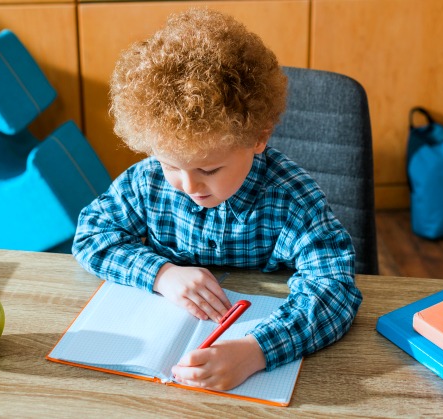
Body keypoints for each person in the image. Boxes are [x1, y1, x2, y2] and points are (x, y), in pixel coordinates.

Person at [72, 8, 362, 391]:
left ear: (258, 138)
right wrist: (162, 274)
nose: (188, 185)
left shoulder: (291, 199)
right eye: (170, 165)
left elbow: (334, 288)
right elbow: (92, 234)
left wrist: (255, 351)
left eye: (208, 170)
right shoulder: (147, 182)